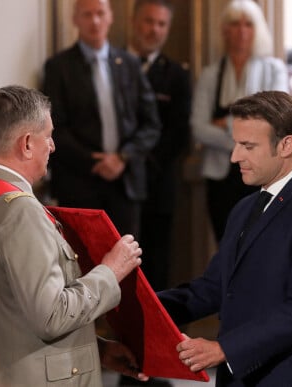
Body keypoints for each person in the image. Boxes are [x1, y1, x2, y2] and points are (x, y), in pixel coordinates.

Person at [0, 85, 149, 386]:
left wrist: (96, 348)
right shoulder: (20, 212)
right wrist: (111, 270)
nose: (53, 146)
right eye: (48, 136)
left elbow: (11, 307)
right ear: (27, 144)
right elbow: (50, 315)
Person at [158, 91, 292, 386]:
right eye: (236, 144)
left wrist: (225, 349)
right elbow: (213, 289)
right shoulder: (245, 207)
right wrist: (139, 303)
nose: (235, 156)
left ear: (286, 145)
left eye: (248, 146)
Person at [42, 0, 161, 238]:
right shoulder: (58, 67)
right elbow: (54, 127)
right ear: (75, 19)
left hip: (125, 185)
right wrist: (91, 160)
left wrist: (122, 157)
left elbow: (151, 124)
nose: (94, 21)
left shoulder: (129, 64)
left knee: (126, 261)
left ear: (110, 17)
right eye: (87, 14)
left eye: (100, 13)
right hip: (79, 184)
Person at [191, 0, 289, 243]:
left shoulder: (273, 70)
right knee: (225, 247)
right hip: (220, 179)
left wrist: (223, 123)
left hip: (262, 178)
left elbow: (276, 122)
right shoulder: (210, 74)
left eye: (248, 24)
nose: (242, 31)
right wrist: (248, 137)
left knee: (259, 250)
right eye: (235, 24)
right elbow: (198, 127)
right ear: (225, 29)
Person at [128, 0, 191, 293]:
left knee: (156, 262)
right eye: (148, 21)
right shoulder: (113, 66)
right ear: (134, 22)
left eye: (161, 24)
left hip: (158, 184)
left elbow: (178, 133)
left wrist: (140, 162)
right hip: (115, 185)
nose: (154, 29)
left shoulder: (177, 75)